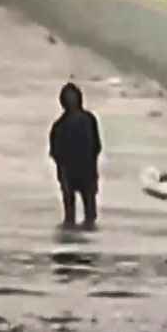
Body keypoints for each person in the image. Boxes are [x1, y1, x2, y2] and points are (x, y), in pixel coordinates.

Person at [49, 82, 102, 229]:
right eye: (68, 98)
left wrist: (94, 170)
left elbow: (96, 147)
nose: (71, 101)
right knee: (70, 214)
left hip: (87, 171)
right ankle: (75, 238)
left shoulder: (89, 120)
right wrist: (62, 172)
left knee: (90, 214)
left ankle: (88, 238)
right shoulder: (59, 126)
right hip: (68, 172)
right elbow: (55, 153)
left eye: (73, 98)